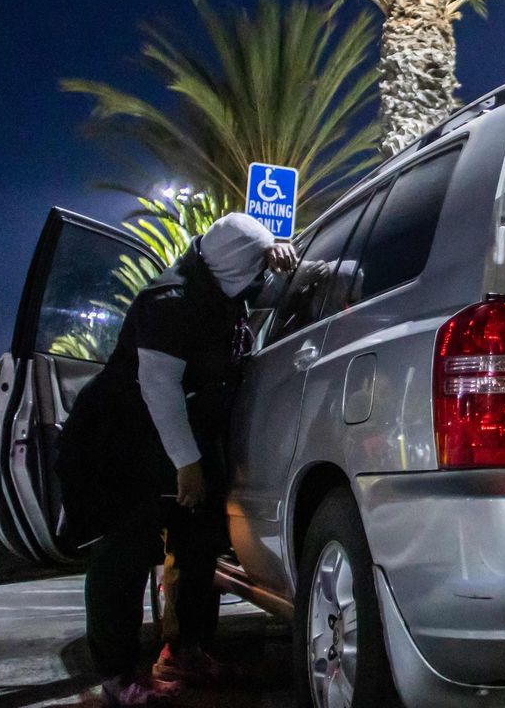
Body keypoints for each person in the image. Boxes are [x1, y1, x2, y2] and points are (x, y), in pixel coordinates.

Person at [58, 213, 298, 706]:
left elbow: (260, 286)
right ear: (235, 268)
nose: (256, 279)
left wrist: (278, 252)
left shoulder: (222, 282)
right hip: (124, 442)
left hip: (182, 434)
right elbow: (160, 388)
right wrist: (187, 464)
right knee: (123, 553)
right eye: (253, 267)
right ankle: (118, 675)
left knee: (196, 546)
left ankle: (187, 650)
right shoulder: (168, 301)